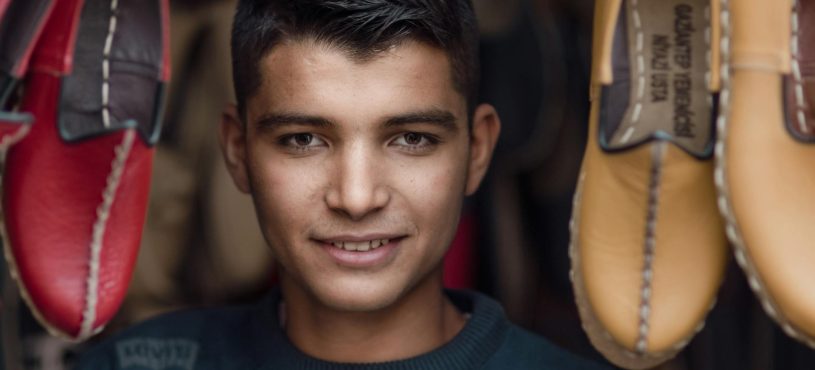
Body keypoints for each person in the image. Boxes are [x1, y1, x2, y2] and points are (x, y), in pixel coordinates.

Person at [77, 1, 610, 368]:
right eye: (304, 140)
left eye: (412, 139)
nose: (356, 198)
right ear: (238, 150)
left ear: (478, 152)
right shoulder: (130, 363)